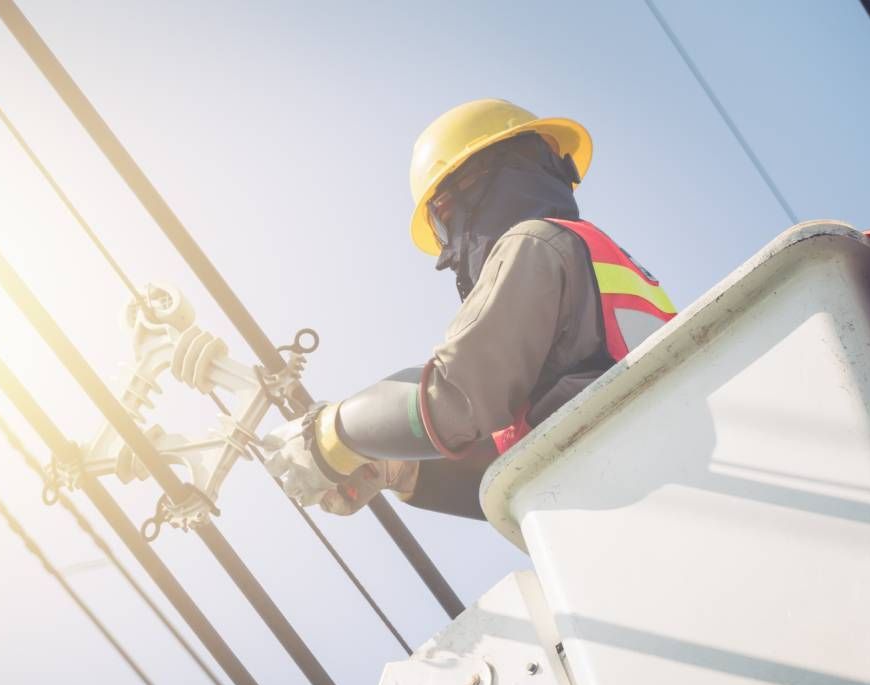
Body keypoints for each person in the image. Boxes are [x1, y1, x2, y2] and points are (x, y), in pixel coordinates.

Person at [263, 99, 676, 520]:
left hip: (635, 502)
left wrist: (332, 437)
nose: (448, 251)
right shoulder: (599, 262)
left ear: (478, 182)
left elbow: (456, 399)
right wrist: (401, 471)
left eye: (441, 220)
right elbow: (524, 465)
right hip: (651, 492)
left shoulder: (534, 245)